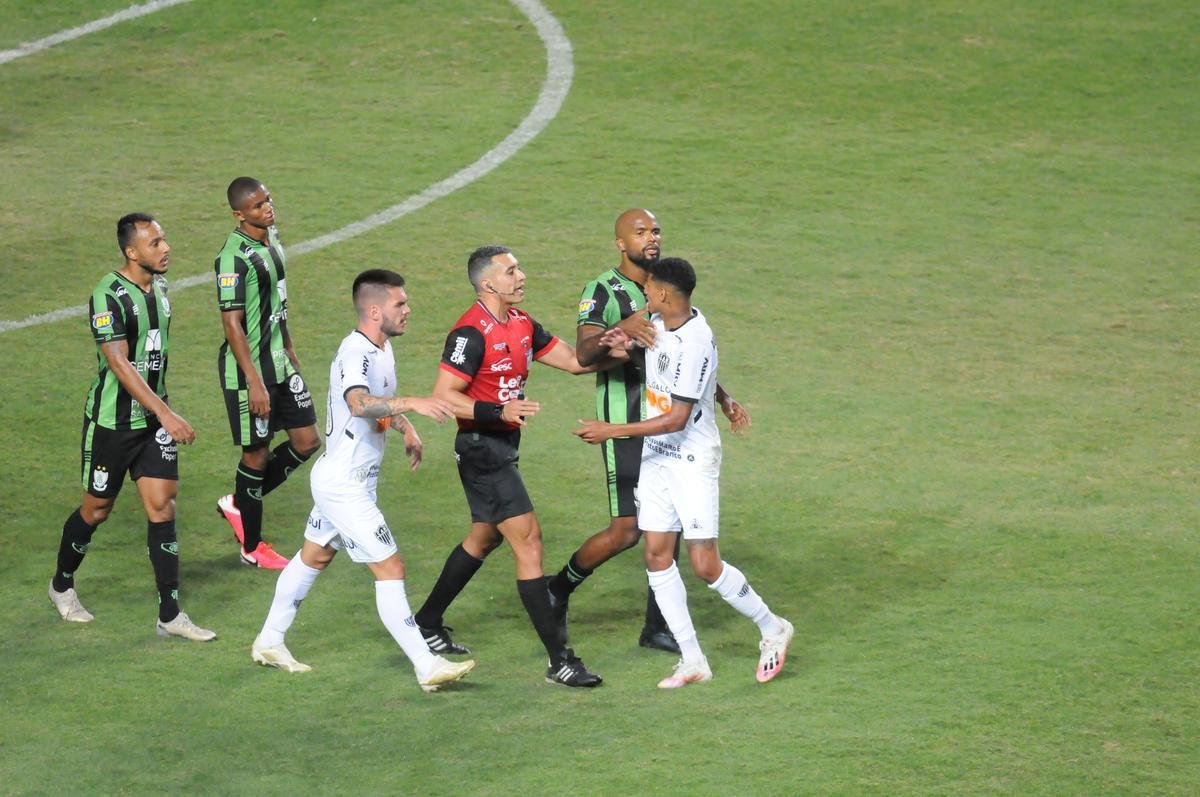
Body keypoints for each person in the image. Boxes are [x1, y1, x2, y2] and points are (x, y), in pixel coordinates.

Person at [251, 269, 474, 692]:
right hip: (344, 486)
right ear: (375, 310)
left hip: (345, 478)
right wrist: (416, 403)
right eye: (400, 304)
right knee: (390, 566)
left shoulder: (382, 348)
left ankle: (269, 641)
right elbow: (358, 403)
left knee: (314, 556)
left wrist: (403, 425)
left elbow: (376, 405)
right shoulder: (356, 353)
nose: (408, 310)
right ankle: (426, 666)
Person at [574, 257, 792, 688]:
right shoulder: (659, 321)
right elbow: (679, 375)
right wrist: (724, 396)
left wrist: (612, 430)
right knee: (656, 555)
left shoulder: (697, 340)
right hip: (657, 454)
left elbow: (676, 418)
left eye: (651, 290)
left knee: (705, 564)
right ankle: (693, 660)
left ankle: (772, 627)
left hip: (691, 457)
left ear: (666, 295)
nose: (646, 296)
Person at [413, 245, 620, 688]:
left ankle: (426, 623)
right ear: (488, 283)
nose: (521, 276)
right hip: (481, 448)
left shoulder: (522, 323)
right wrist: (498, 411)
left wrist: (614, 345)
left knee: (483, 538)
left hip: (502, 446)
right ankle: (560, 660)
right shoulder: (470, 333)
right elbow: (444, 395)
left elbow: (574, 362)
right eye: (511, 271)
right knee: (529, 543)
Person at [547, 209, 751, 652]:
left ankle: (657, 626)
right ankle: (557, 589)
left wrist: (722, 396)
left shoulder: (667, 287)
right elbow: (582, 355)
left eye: (655, 230)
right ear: (621, 243)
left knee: (668, 525)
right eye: (640, 232)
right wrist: (620, 329)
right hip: (625, 416)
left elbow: (689, 359)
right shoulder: (602, 290)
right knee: (626, 529)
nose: (651, 238)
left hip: (671, 425)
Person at [48, 213, 215, 642]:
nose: (166, 247)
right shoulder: (107, 295)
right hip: (112, 423)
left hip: (153, 422)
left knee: (162, 509)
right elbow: (119, 363)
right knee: (96, 509)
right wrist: (165, 412)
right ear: (132, 251)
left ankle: (170, 614)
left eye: (164, 239)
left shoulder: (159, 288)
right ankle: (62, 584)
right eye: (155, 242)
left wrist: (160, 413)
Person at [213, 177, 321, 570]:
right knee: (256, 456)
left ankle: (238, 503)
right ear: (239, 214)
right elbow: (233, 325)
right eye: (257, 206)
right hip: (250, 373)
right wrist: (255, 382)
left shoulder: (271, 239)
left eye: (268, 200)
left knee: (307, 440)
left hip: (280, 361)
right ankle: (252, 547)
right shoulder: (231, 258)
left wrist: (289, 348)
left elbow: (277, 302)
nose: (267, 208)